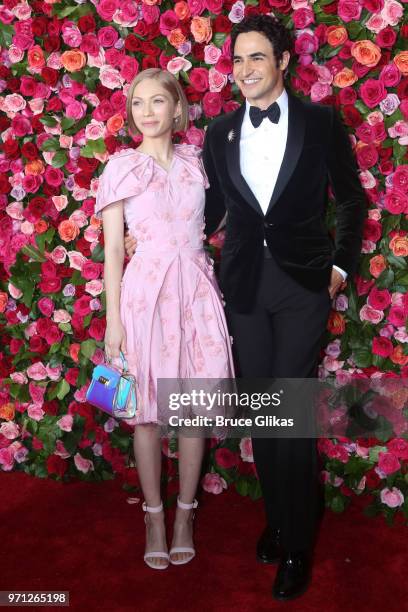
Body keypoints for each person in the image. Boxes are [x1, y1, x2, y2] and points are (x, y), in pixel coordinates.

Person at [202, 15, 365, 600]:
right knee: (260, 409)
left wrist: (340, 268)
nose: (245, 71)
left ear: (283, 62)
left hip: (303, 286)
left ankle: (296, 542)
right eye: (238, 60)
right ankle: (281, 515)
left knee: (287, 408)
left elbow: (351, 199)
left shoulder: (320, 123)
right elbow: (215, 208)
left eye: (257, 59)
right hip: (245, 286)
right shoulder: (219, 132)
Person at [95, 68, 234, 570]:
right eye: (138, 102)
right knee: (148, 411)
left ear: (178, 110)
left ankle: (184, 514)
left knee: (193, 407)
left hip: (196, 291)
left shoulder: (201, 162)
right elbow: (113, 250)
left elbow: (221, 213)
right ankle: (154, 514)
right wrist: (115, 323)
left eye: (158, 101)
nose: (147, 111)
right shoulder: (120, 168)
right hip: (145, 297)